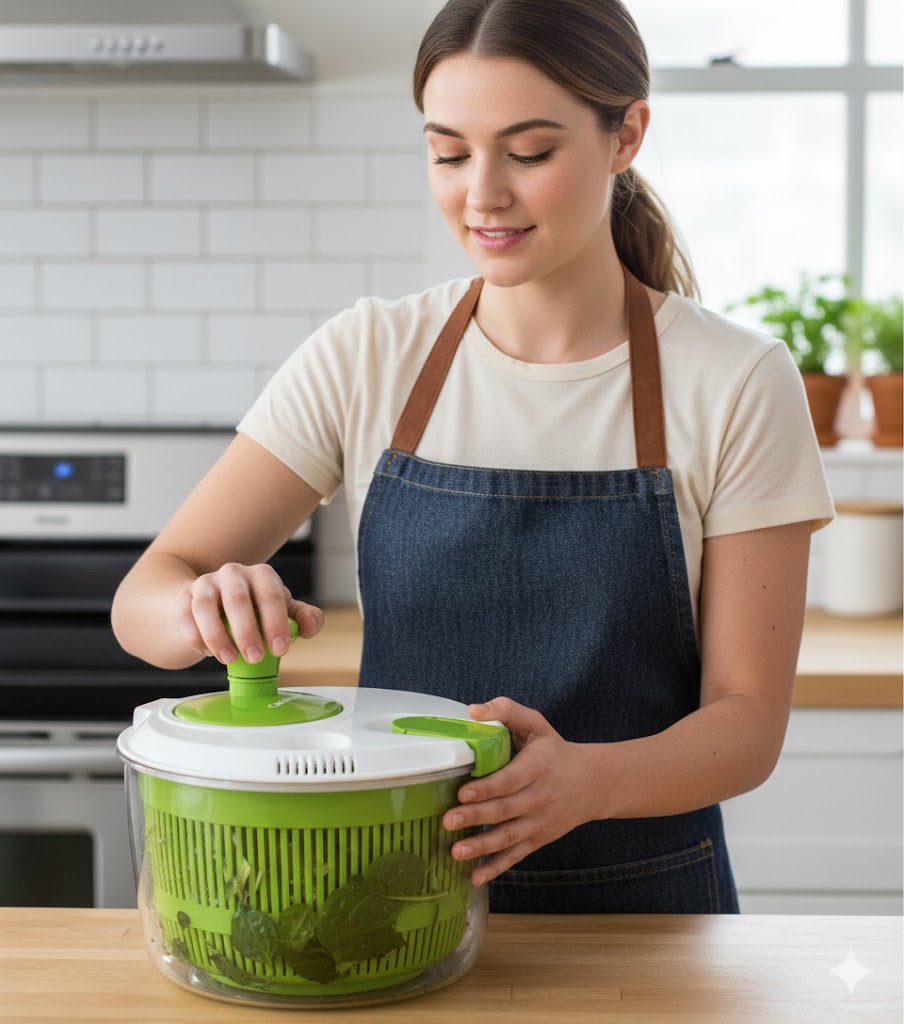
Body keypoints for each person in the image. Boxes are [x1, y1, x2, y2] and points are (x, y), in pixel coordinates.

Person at [112, 0, 834, 914]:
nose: (481, 192)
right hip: (391, 907)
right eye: (449, 152)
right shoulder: (368, 354)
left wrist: (586, 784)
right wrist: (200, 607)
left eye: (528, 152)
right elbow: (144, 599)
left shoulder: (736, 381)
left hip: (646, 924)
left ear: (627, 135)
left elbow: (747, 724)